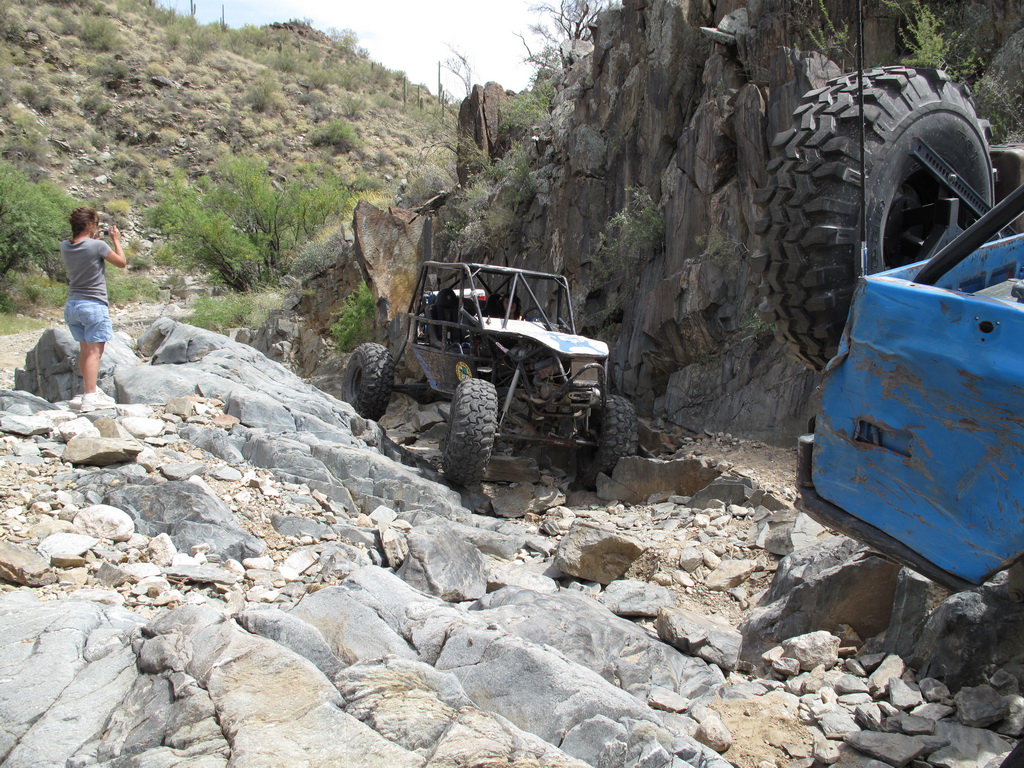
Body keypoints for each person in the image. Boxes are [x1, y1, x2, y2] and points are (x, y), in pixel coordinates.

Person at [61, 206, 126, 411]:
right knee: (94, 352)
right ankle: (90, 397)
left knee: (85, 349)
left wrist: (93, 238)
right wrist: (115, 240)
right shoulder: (98, 246)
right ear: (89, 224)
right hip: (93, 304)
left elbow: (83, 249)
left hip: (73, 305)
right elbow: (121, 263)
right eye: (95, 224)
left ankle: (89, 390)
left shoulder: (65, 246)